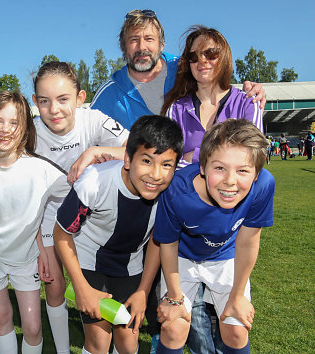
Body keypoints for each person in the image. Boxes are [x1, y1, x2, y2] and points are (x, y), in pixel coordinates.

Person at [54, 115, 184, 354]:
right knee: (99, 341)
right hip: (89, 260)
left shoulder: (171, 190)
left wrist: (143, 291)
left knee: (128, 340)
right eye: (146, 161)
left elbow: (157, 240)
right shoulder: (94, 183)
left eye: (166, 165)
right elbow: (61, 234)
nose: (156, 174)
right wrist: (80, 286)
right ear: (127, 159)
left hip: (130, 265)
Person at [31, 61, 129, 354]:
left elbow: (138, 149)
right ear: (35, 102)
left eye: (63, 99)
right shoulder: (30, 133)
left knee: (102, 283)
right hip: (48, 216)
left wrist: (96, 151)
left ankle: (108, 339)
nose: (55, 109)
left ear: (80, 98)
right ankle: (63, 350)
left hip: (91, 219)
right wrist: (41, 245)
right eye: (45, 101)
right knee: (55, 284)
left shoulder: (94, 120)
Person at [153, 119, 275, 354]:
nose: (230, 180)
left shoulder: (263, 186)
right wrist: (176, 299)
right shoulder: (177, 190)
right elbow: (167, 244)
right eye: (219, 168)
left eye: (243, 170)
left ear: (257, 174)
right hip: (183, 258)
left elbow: (248, 241)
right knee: (173, 327)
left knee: (236, 328)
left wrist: (238, 295)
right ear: (202, 167)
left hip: (225, 256)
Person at [0, 91, 70, 354]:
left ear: (25, 129)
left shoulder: (43, 170)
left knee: (33, 327)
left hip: (25, 258)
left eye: (14, 122)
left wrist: (44, 248)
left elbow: (79, 195)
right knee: (1, 319)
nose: (5, 129)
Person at [90, 9, 266, 130]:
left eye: (149, 38)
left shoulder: (186, 66)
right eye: (134, 40)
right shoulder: (109, 93)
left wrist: (250, 92)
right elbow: (86, 131)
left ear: (161, 44)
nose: (142, 47)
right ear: (123, 46)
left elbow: (216, 85)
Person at [161, 25, 264, 170]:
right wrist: (225, 158)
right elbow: (166, 163)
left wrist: (193, 156)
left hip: (234, 190)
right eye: (193, 57)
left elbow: (254, 156)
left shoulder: (248, 102)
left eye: (210, 54)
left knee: (266, 180)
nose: (202, 61)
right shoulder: (175, 109)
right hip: (187, 192)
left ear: (224, 57)